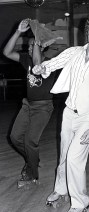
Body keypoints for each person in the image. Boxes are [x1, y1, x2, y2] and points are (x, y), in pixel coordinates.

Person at [33, 13, 89, 212]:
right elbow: (52, 64)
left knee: (74, 159)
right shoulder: (75, 52)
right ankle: (61, 189)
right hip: (69, 113)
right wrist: (41, 66)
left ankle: (80, 201)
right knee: (64, 156)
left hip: (88, 117)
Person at [3, 19, 55, 188]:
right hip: (28, 105)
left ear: (41, 47)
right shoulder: (26, 59)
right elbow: (6, 52)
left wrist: (38, 41)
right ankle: (33, 160)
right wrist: (18, 32)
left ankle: (32, 173)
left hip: (43, 107)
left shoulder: (50, 63)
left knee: (30, 141)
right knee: (15, 137)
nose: (28, 47)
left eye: (33, 45)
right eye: (29, 45)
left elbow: (38, 64)